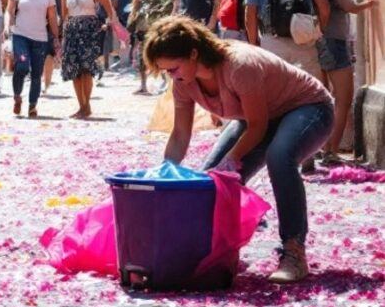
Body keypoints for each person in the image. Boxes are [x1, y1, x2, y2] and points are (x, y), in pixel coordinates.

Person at [143, 15, 334, 284]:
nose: (171, 76)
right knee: (210, 180)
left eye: (173, 69)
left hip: (309, 109)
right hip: (257, 119)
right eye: (166, 72)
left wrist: (232, 160)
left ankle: (294, 252)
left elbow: (257, 127)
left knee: (279, 157)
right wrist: (165, 172)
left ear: (194, 53)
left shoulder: (239, 66)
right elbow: (180, 134)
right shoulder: (183, 83)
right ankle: (217, 253)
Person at [308, 0, 376, 162]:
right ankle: (331, 151)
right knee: (343, 99)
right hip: (335, 45)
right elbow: (352, 7)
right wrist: (373, 3)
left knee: (326, 98)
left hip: (318, 44)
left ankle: (322, 147)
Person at [60, 0, 123, 119]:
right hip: (72, 29)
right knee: (74, 70)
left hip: (89, 29)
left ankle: (86, 105)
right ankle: (81, 105)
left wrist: (108, 23)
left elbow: (109, 9)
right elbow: (64, 13)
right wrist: (62, 34)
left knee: (87, 68)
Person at [5, 0, 59, 117]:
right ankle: (17, 96)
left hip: (40, 37)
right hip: (21, 34)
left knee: (36, 73)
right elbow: (9, 11)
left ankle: (32, 105)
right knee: (21, 65)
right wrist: (6, 26)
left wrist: (56, 37)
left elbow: (52, 17)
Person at [128, 0, 175, 94]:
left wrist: (132, 19)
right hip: (159, 25)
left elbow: (135, 4)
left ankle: (145, 85)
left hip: (146, 25)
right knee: (161, 53)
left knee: (145, 54)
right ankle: (164, 83)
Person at [106, 0, 136, 69]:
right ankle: (119, 59)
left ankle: (128, 59)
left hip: (131, 14)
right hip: (118, 14)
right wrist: (112, 14)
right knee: (119, 38)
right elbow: (112, 0)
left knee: (130, 37)